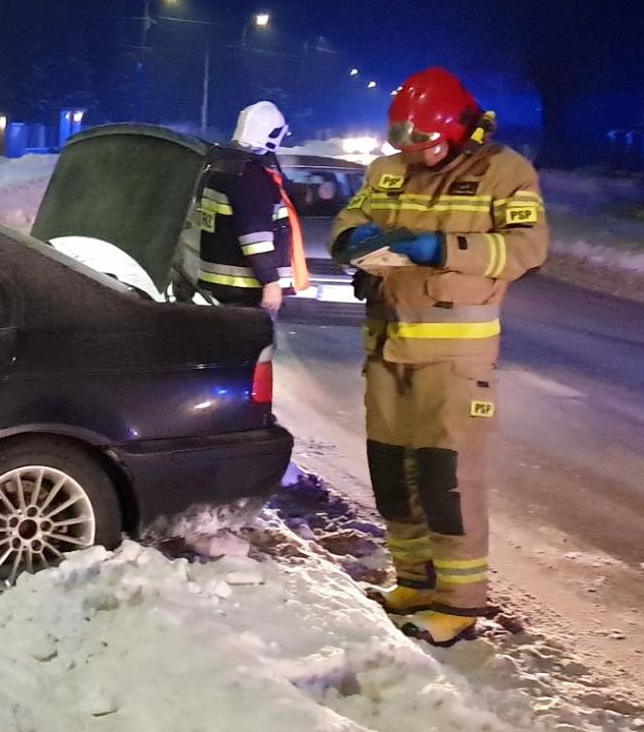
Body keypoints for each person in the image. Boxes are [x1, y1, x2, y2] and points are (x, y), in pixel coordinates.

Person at [331, 66, 549, 647]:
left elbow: (528, 247)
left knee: (445, 480)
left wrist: (441, 248)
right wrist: (352, 241)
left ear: (457, 129)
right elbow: (351, 218)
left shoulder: (504, 173)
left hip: (455, 357)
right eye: (403, 141)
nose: (412, 152)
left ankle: (457, 603)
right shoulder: (387, 170)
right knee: (392, 474)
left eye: (423, 141)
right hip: (386, 346)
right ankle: (413, 583)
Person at [196, 100, 305, 315]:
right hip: (247, 287)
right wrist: (270, 281)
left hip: (223, 282)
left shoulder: (221, 168)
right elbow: (255, 237)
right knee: (252, 337)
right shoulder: (251, 176)